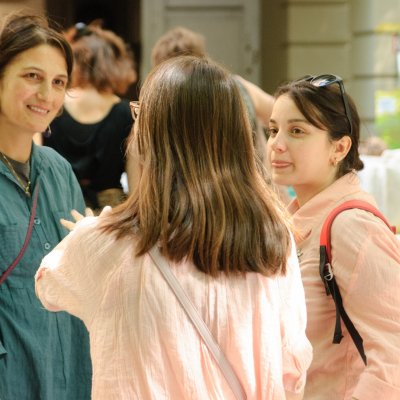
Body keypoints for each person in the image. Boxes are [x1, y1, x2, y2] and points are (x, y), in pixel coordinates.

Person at [35, 55, 312, 399]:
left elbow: (48, 286)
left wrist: (89, 232)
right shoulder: (273, 237)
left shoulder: (108, 243)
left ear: (152, 136)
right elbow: (292, 366)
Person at [266, 74, 400, 399]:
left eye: (296, 131)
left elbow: (393, 357)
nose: (276, 144)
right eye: (273, 130)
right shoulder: (293, 222)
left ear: (339, 148)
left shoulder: (352, 226)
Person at [0, 13, 91, 399]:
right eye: (32, 76)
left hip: (67, 370)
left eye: (58, 82)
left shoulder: (58, 170)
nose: (47, 95)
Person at [43, 21, 136, 212]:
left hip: (59, 210)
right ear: (114, 64)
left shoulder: (51, 105)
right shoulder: (126, 113)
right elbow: (136, 188)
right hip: (110, 214)